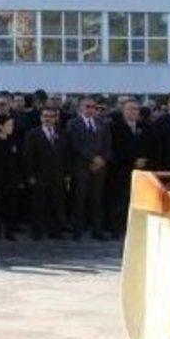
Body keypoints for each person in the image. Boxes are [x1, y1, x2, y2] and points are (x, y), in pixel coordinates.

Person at [66, 96, 112, 241]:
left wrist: (102, 159)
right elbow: (76, 145)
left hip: (99, 168)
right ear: (80, 108)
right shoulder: (73, 123)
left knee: (97, 200)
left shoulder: (102, 123)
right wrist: (92, 158)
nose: (91, 109)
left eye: (93, 107)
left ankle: (97, 230)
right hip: (81, 167)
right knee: (79, 200)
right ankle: (77, 230)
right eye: (87, 106)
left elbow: (107, 144)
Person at [107, 99, 154, 238]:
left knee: (139, 200)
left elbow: (150, 145)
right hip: (121, 170)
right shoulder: (114, 127)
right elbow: (115, 149)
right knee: (120, 200)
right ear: (123, 111)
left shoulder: (145, 127)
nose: (134, 112)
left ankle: (136, 228)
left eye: (136, 109)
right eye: (130, 109)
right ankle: (117, 229)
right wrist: (133, 161)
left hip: (142, 170)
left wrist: (144, 159)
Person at [22, 107, 68, 240]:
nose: (48, 119)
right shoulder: (32, 134)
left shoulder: (62, 133)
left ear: (56, 118)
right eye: (46, 116)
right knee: (38, 205)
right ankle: (37, 231)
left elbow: (67, 154)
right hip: (39, 175)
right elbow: (28, 156)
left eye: (52, 116)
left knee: (56, 204)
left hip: (58, 175)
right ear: (41, 118)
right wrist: (30, 175)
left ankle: (55, 231)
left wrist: (67, 173)